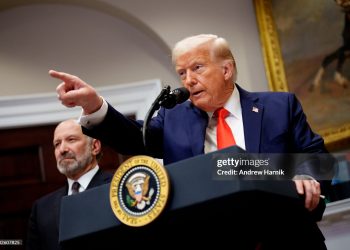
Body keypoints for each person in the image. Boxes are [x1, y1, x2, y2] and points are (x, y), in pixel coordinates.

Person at [49, 34, 334, 249]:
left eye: (197, 68)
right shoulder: (174, 118)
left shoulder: (278, 107)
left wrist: (302, 175)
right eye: (182, 73)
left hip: (288, 239)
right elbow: (136, 138)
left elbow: (319, 160)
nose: (188, 80)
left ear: (227, 70)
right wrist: (95, 105)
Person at [26, 119, 112, 250]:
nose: (62, 149)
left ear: (95, 147)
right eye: (57, 144)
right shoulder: (41, 208)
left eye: (71, 140)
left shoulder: (118, 189)